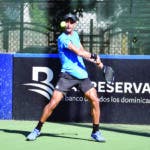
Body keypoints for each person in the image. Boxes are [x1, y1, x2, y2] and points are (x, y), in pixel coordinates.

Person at [27, 13, 105, 142]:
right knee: (53, 103)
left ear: (74, 24)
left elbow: (82, 50)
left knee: (95, 100)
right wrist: (95, 56)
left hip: (82, 75)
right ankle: (37, 129)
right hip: (67, 76)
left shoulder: (75, 35)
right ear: (65, 24)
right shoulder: (62, 39)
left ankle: (96, 132)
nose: (68, 24)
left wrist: (95, 61)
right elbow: (78, 52)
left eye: (71, 22)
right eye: (67, 21)